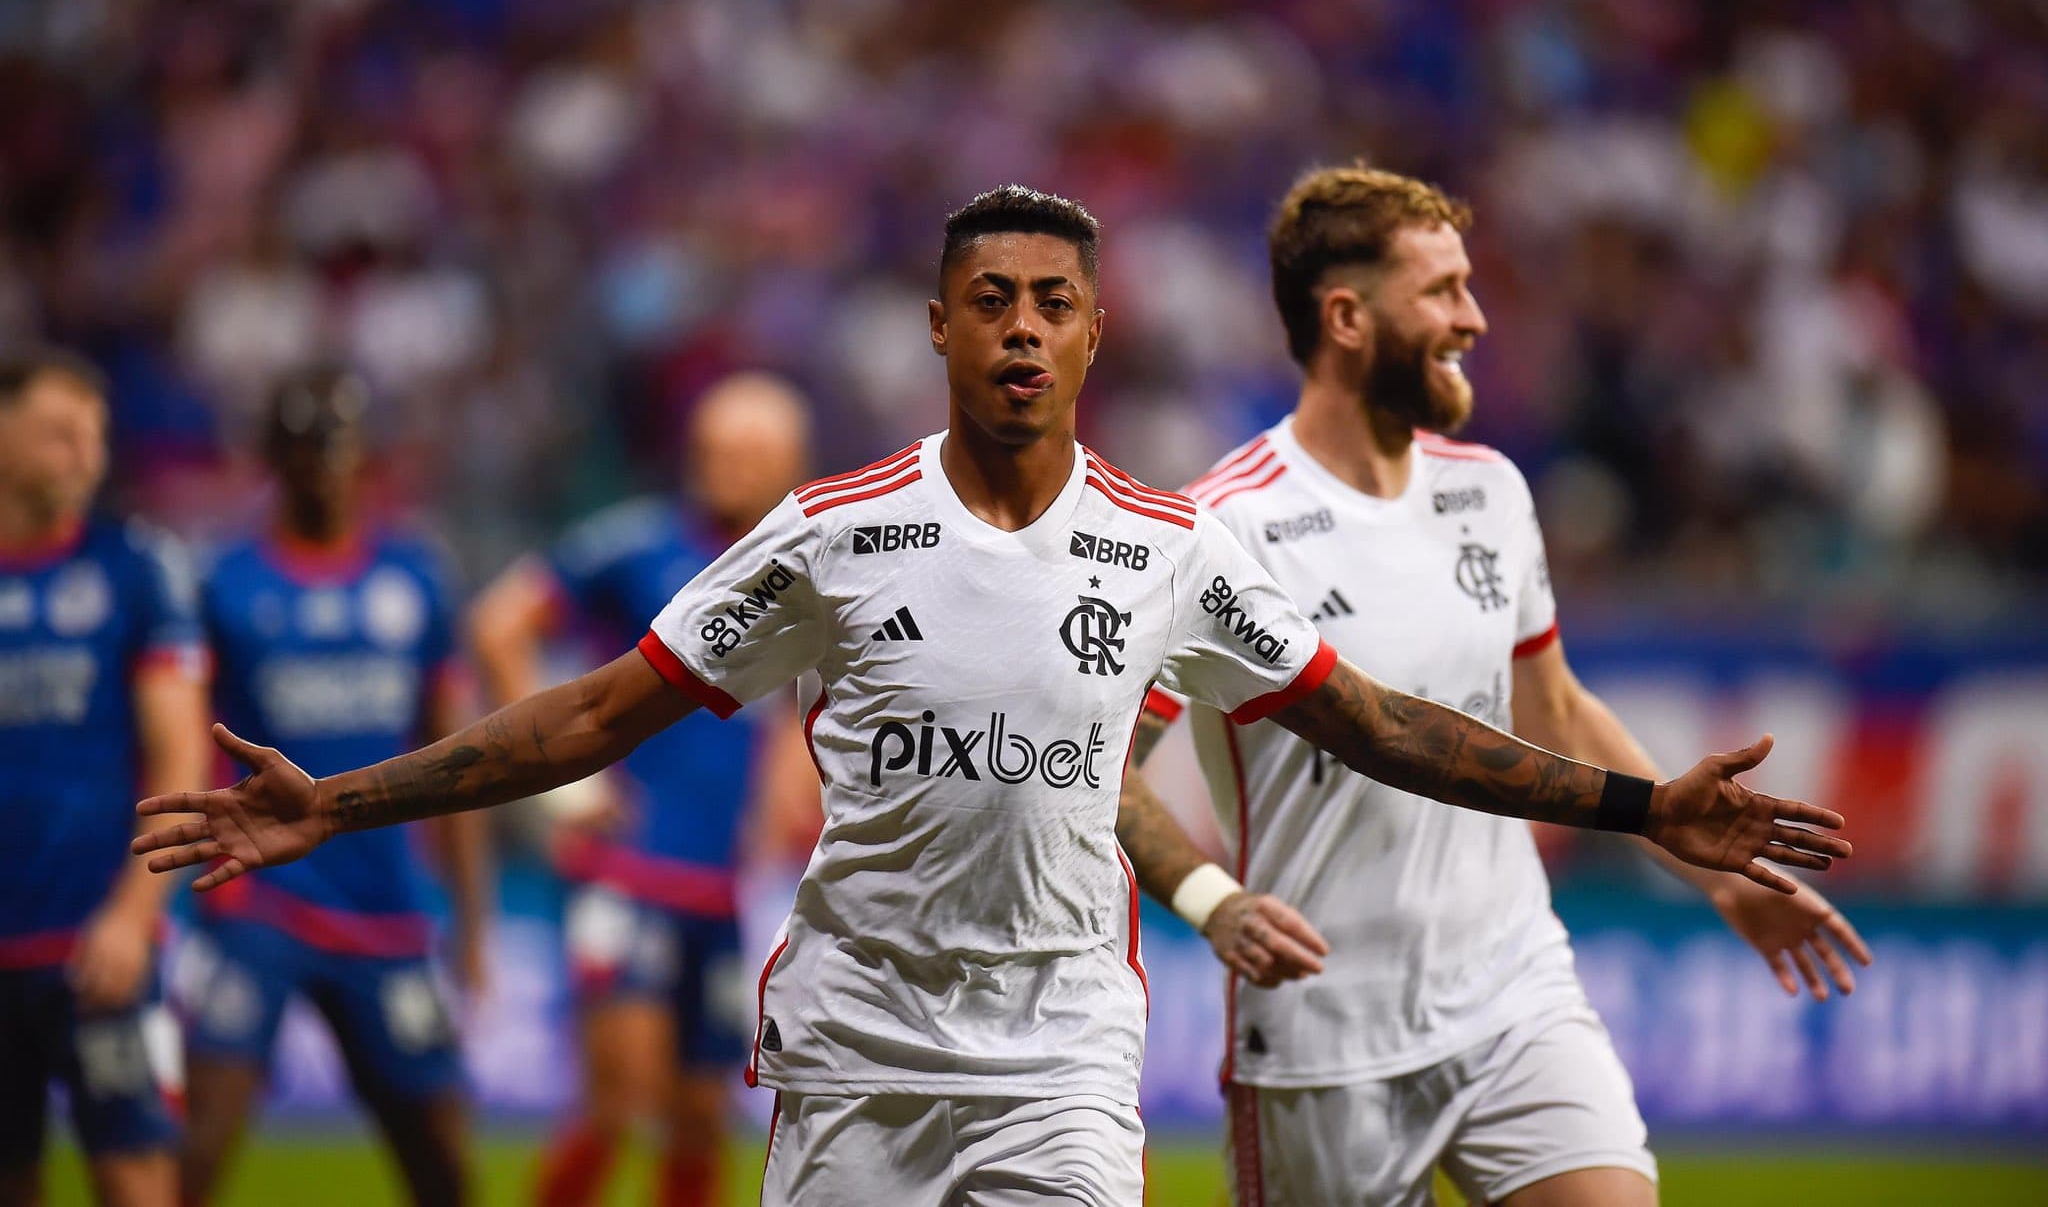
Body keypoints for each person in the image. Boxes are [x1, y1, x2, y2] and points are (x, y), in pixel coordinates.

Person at [134, 187, 1853, 1207]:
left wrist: (1636, 808)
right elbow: (591, 712)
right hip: (861, 1047)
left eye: (1051, 304)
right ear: (936, 331)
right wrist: (338, 799)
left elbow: (1383, 722)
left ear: (1094, 333)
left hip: (1058, 1055)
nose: (1020, 329)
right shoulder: (829, 536)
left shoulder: (1170, 548)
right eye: (988, 304)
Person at [1117, 165, 1876, 1207]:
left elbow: (1554, 710)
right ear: (1344, 315)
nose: (1472, 317)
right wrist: (1211, 902)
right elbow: (1103, 765)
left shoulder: (1488, 492)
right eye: (1438, 291)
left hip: (1510, 991)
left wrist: (1721, 881)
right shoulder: (1222, 529)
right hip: (1323, 1029)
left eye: (1467, 286)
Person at [469, 372, 811, 1207]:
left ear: (789, 466)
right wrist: (559, 789)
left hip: (718, 888)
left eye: (746, 452)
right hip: (627, 875)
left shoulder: (800, 569)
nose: (720, 465)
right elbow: (498, 623)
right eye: (713, 448)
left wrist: (785, 802)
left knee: (700, 1119)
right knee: (616, 1104)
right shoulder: (638, 545)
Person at [177, 367, 488, 1207]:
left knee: (442, 1162)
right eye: (305, 447)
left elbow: (455, 757)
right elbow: (177, 737)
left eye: (336, 447)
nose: (321, 466)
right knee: (198, 1147)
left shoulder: (417, 579)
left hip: (383, 904)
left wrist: (473, 927)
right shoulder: (223, 583)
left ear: (363, 456)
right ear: (275, 457)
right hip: (256, 904)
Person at [0, 349, 207, 1207]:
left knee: (136, 1180)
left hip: (98, 947)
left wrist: (133, 916)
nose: (84, 454)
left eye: (93, 435)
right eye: (58, 433)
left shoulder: (135, 570)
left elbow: (181, 757)